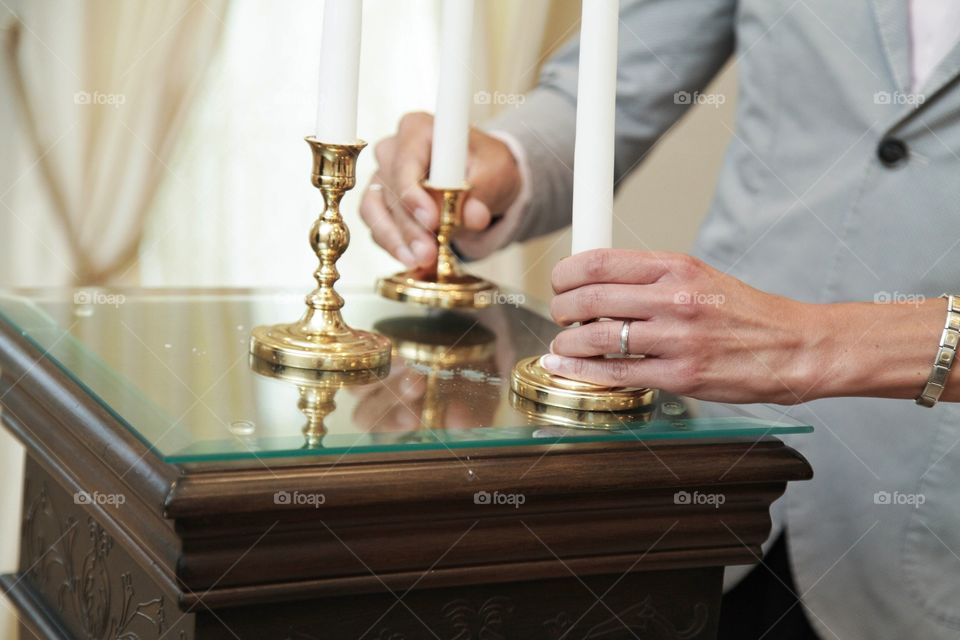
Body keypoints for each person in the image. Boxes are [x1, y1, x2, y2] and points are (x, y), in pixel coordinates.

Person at [360, 1, 960, 638]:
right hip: (710, 492)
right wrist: (500, 166)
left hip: (930, 532)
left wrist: (824, 343)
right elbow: (611, 83)